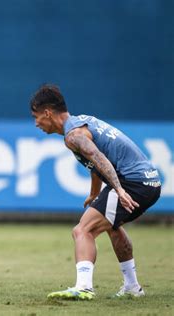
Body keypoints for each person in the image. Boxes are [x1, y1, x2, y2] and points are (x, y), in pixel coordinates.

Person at [29, 84, 161, 300]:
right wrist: (94, 193)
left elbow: (98, 156)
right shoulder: (82, 121)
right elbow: (95, 164)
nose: (36, 123)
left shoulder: (73, 135)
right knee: (112, 227)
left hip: (133, 183)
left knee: (82, 230)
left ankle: (84, 287)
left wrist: (119, 189)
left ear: (47, 112)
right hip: (149, 182)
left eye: (36, 117)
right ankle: (132, 287)